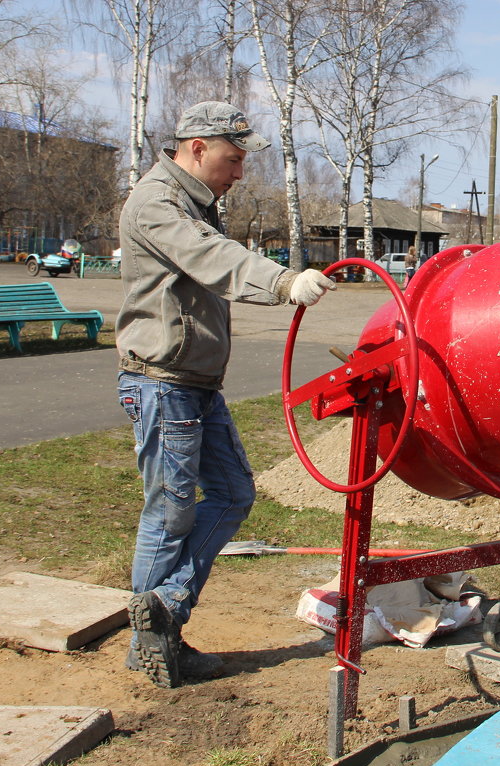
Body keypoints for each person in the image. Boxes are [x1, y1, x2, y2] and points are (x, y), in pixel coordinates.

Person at [116, 101, 336, 688]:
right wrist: (284, 281)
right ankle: (154, 642)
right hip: (162, 383)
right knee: (170, 513)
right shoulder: (158, 203)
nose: (238, 172)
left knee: (234, 494)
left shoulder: (194, 203)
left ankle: (162, 608)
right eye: (232, 159)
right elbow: (210, 258)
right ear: (195, 148)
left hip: (195, 385)